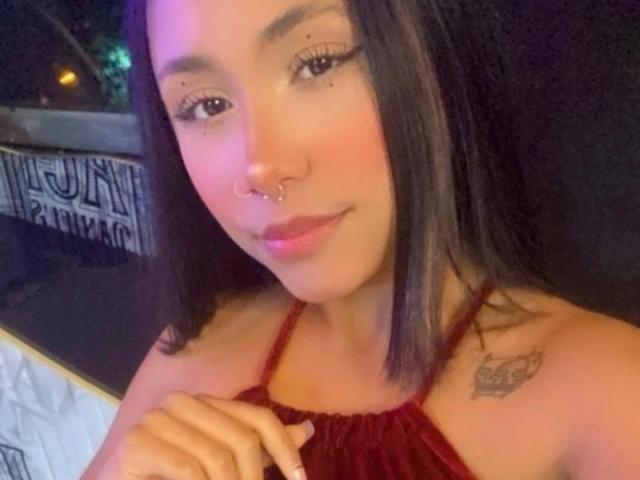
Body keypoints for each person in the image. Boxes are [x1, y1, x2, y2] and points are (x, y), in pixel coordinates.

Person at [82, 0, 640, 479]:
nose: (261, 168)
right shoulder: (197, 346)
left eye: (317, 64)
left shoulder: (604, 394)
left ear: (430, 49)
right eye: (206, 105)